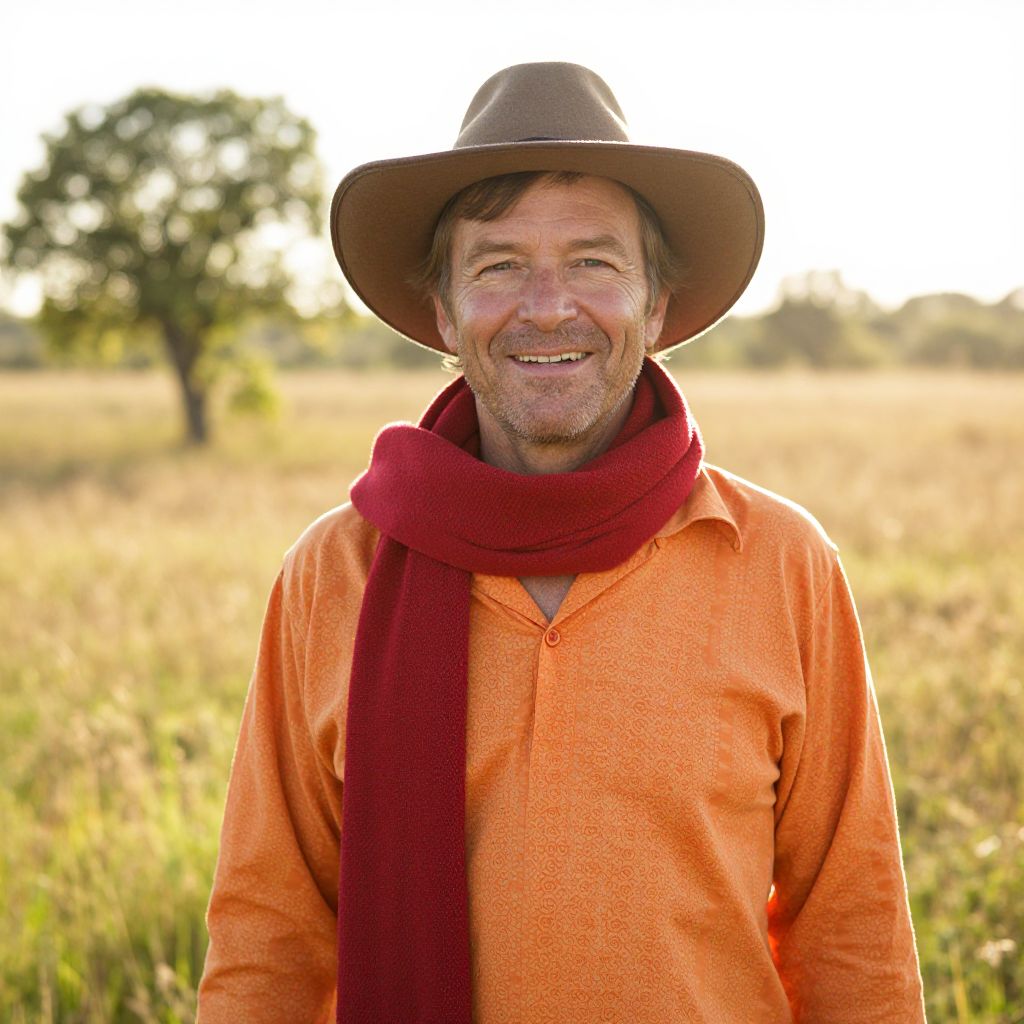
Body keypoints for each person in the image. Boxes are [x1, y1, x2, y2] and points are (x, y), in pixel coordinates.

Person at [197, 63, 926, 1023]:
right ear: (446, 314)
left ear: (656, 307)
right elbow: (268, 937)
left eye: (594, 261)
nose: (548, 306)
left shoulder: (781, 561)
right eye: (498, 265)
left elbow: (854, 932)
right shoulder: (336, 572)